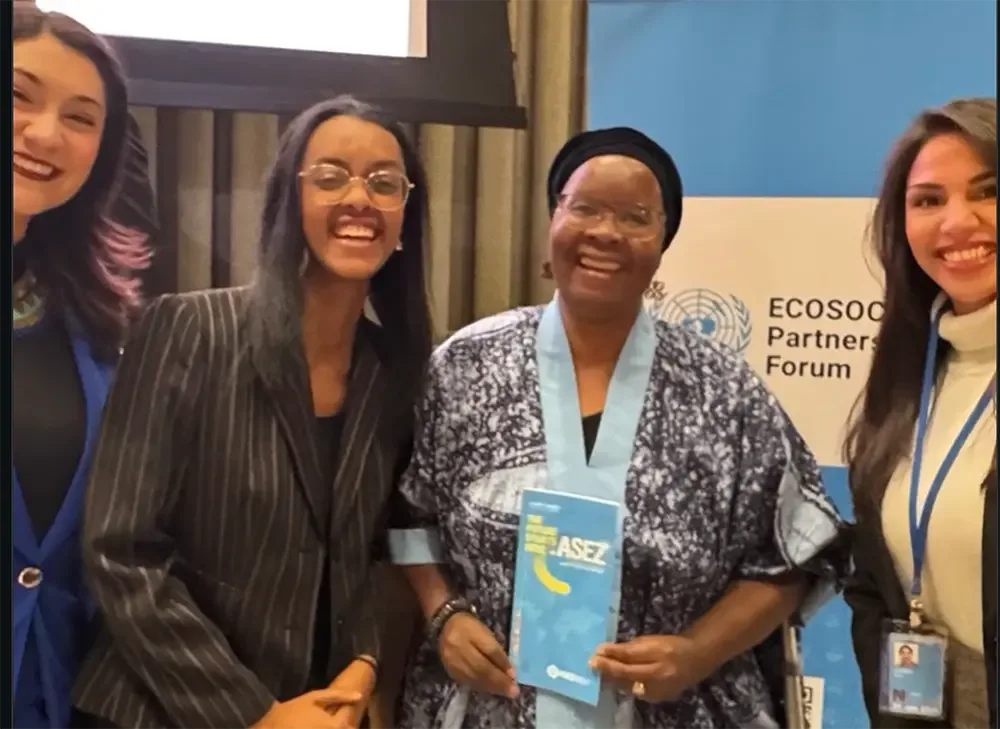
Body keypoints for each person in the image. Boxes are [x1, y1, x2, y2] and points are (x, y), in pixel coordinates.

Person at [388, 127, 849, 729]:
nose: (605, 233)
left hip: (675, 712)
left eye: (635, 217)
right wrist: (444, 615)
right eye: (584, 208)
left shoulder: (725, 392)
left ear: (662, 243)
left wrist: (698, 651)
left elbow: (796, 555)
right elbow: (410, 517)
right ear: (553, 219)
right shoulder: (465, 366)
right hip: (490, 707)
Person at [73, 96, 434, 729]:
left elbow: (371, 553)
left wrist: (365, 661)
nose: (360, 198)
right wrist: (253, 714)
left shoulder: (395, 371)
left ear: (404, 217)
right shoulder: (189, 329)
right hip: (159, 710)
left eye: (384, 183)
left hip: (315, 708)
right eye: (331, 176)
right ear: (289, 200)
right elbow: (119, 552)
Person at [12, 5, 151, 729]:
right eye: (18, 95)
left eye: (80, 117)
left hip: (55, 689)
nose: (45, 134)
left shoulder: (90, 319)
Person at [844, 97, 997, 729]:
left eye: (988, 192)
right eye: (929, 200)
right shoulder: (912, 371)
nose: (957, 222)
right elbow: (873, 584)